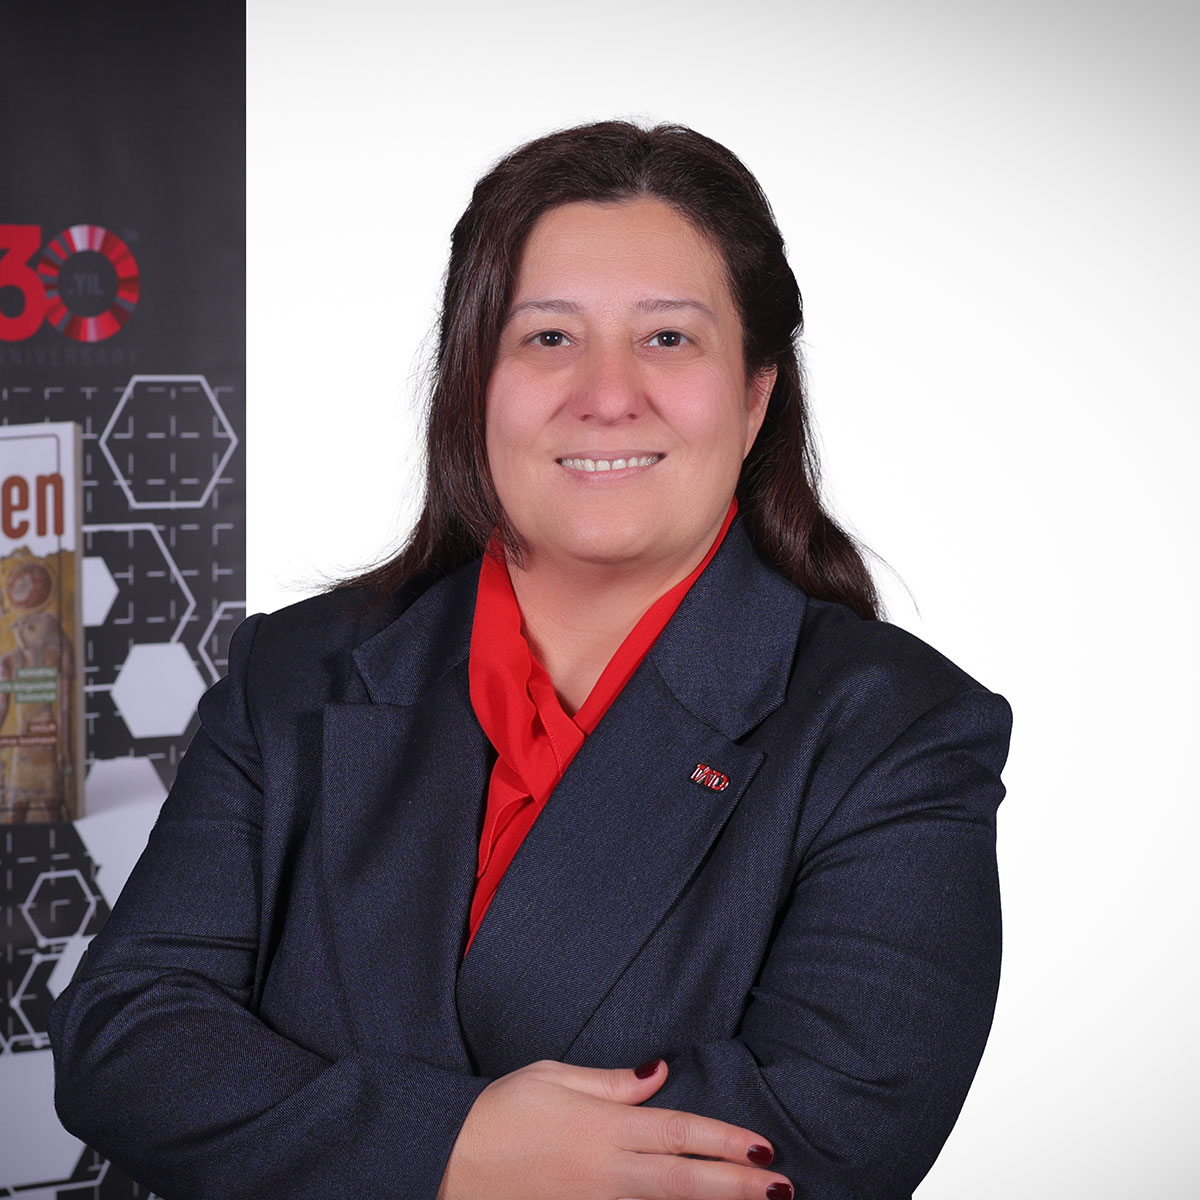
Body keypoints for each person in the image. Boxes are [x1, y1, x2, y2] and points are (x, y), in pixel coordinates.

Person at [50, 121, 1013, 1200]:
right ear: (474, 384)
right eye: (549, 337)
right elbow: (125, 1039)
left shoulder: (897, 730)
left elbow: (827, 1133)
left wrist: (319, 1126)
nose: (607, 394)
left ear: (754, 396)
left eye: (669, 338)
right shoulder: (296, 672)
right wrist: (452, 1146)